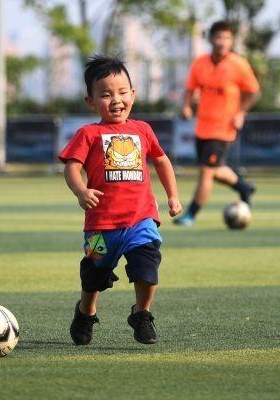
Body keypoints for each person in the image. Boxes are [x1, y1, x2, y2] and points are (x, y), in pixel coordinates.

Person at [59, 55, 182, 345]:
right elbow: (71, 167)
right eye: (106, 94)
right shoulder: (88, 133)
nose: (116, 99)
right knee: (93, 276)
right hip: (101, 226)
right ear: (90, 101)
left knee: (147, 270)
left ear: (133, 94)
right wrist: (81, 191)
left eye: (123, 92)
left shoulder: (143, 130)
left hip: (141, 219)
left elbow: (162, 161)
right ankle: (86, 312)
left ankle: (141, 314)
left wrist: (173, 196)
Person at [174, 20, 260, 227]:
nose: (222, 42)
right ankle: (243, 187)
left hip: (223, 128)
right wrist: (186, 106)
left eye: (227, 38)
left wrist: (240, 112)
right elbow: (189, 88)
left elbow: (253, 91)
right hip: (202, 126)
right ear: (211, 39)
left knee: (206, 171)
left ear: (231, 41)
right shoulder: (200, 63)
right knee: (214, 169)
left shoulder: (238, 64)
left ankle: (191, 214)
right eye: (219, 37)